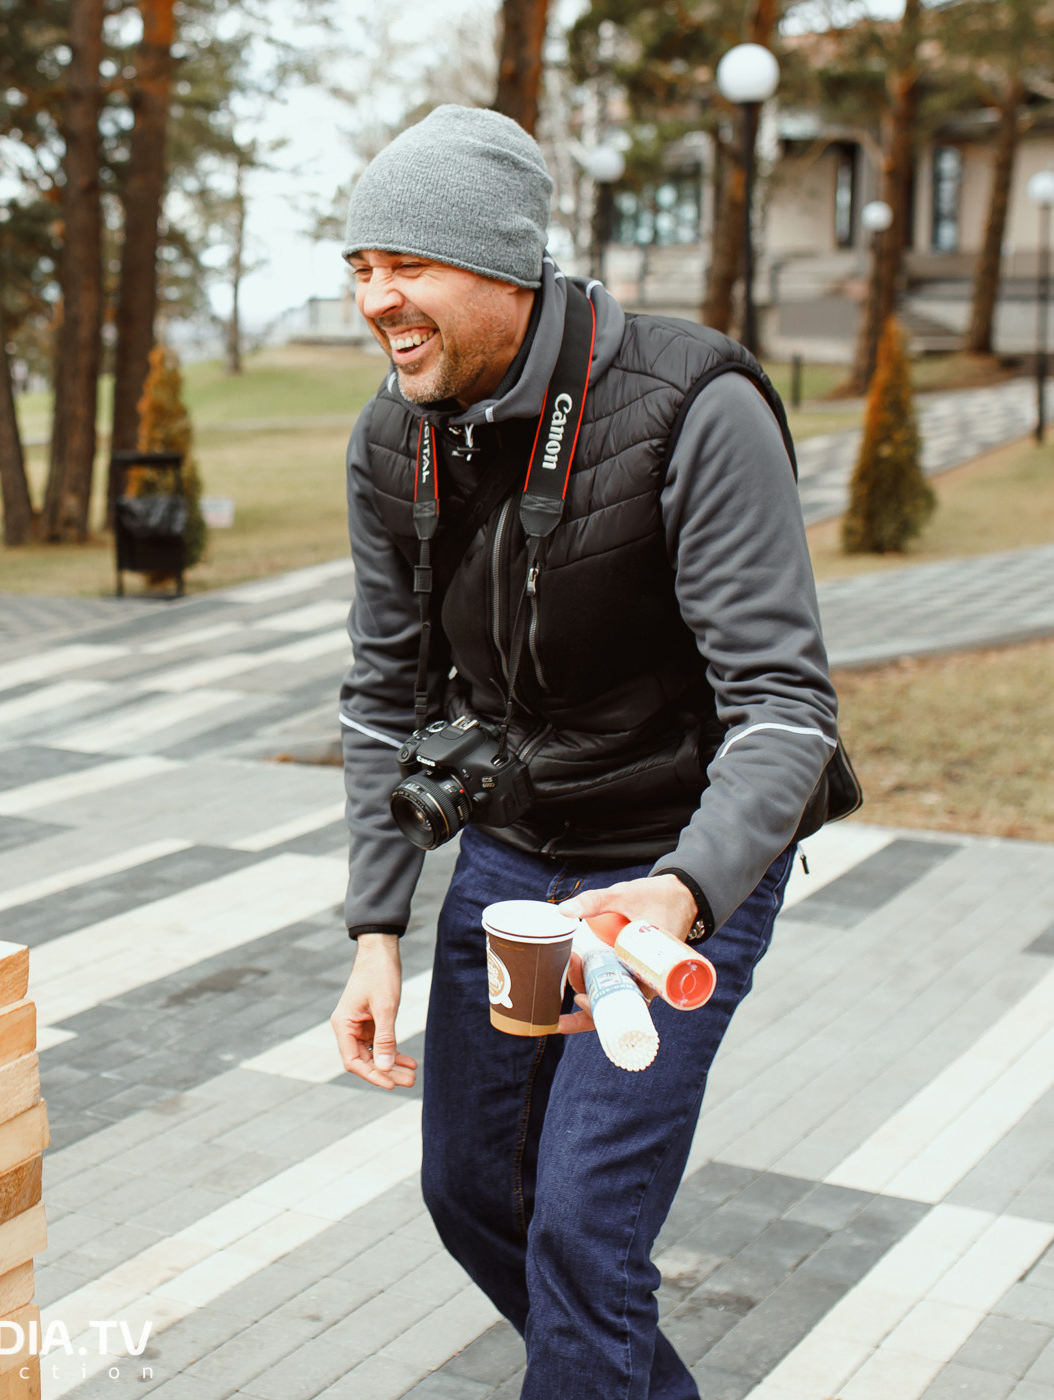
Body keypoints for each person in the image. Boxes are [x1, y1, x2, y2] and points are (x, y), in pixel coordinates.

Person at [325, 107, 840, 1400]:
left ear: (503, 267)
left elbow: (785, 709)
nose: (375, 300)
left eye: (405, 266)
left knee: (582, 1229)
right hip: (515, 855)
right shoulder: (395, 437)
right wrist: (375, 929)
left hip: (679, 865)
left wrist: (680, 894)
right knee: (470, 1192)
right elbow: (385, 688)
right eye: (359, 269)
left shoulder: (691, 403)